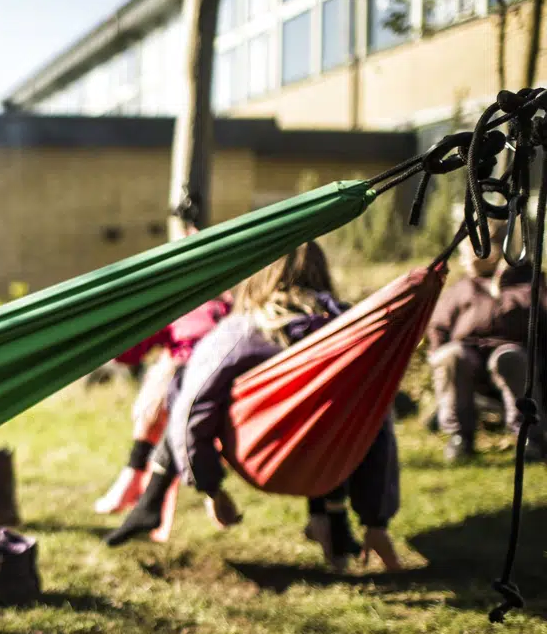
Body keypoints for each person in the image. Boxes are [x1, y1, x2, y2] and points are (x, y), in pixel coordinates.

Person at [107, 241, 403, 571]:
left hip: (263, 456)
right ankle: (330, 517)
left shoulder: (241, 332)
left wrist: (211, 488)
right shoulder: (350, 329)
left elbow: (193, 411)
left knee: (183, 381)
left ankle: (151, 500)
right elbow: (377, 420)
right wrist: (377, 520)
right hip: (328, 461)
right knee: (339, 407)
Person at [95, 218, 232, 514]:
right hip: (180, 385)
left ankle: (142, 477)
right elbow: (131, 353)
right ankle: (135, 474)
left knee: (173, 375)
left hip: (224, 383)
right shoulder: (176, 309)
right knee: (167, 373)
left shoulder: (230, 305)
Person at [428, 218, 546, 463]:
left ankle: (529, 437)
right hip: (468, 362)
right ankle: (460, 437)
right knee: (452, 356)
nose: (462, 258)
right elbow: (438, 329)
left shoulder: (531, 283)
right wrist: (438, 355)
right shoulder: (462, 289)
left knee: (509, 358)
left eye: (467, 251)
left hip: (516, 360)